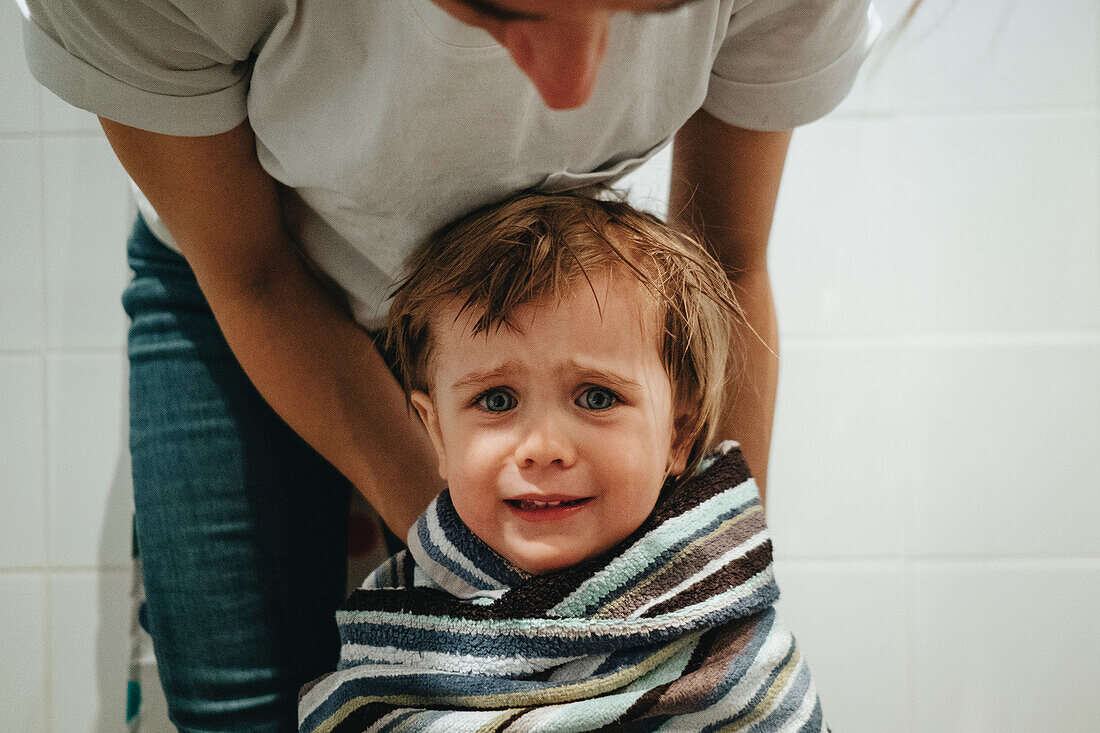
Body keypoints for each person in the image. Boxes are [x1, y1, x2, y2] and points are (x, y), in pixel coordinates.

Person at [19, 0, 878, 729]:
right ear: (430, 419)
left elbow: (725, 254)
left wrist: (705, 578)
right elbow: (251, 273)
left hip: (538, 299)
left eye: (648, 7)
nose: (573, 86)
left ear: (679, 419)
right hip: (256, 274)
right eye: (503, 5)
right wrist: (463, 554)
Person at [299, 191, 823, 732]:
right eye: (497, 400)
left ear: (679, 434)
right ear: (437, 434)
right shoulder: (397, 626)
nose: (543, 446)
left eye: (596, 398)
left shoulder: (728, 649)